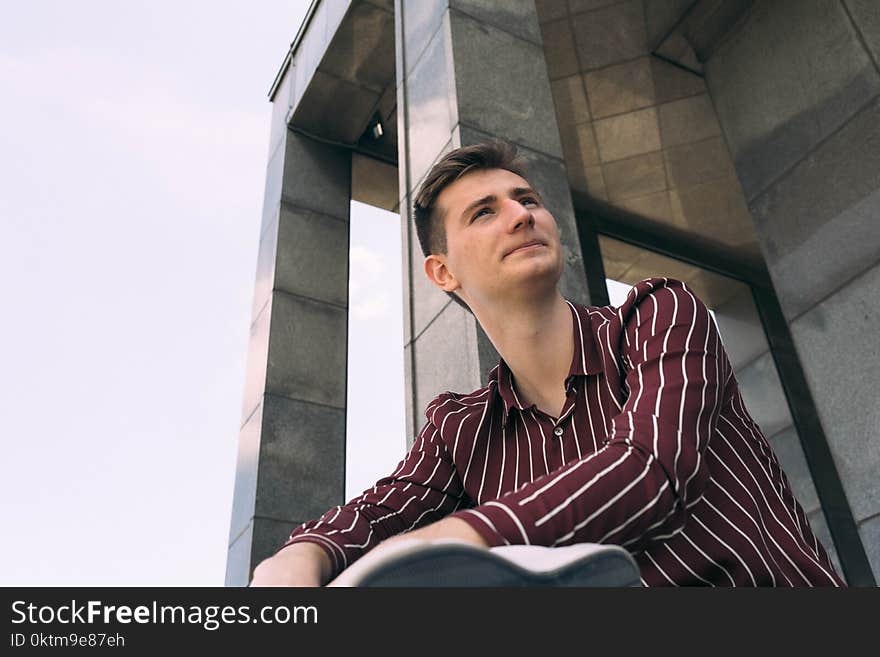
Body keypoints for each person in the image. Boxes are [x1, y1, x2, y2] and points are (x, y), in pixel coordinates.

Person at [250, 140, 845, 587]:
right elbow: (376, 512)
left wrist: (460, 537)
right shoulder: (462, 430)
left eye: (527, 199)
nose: (520, 214)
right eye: (484, 212)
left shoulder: (658, 315)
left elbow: (651, 474)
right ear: (443, 272)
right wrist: (301, 556)